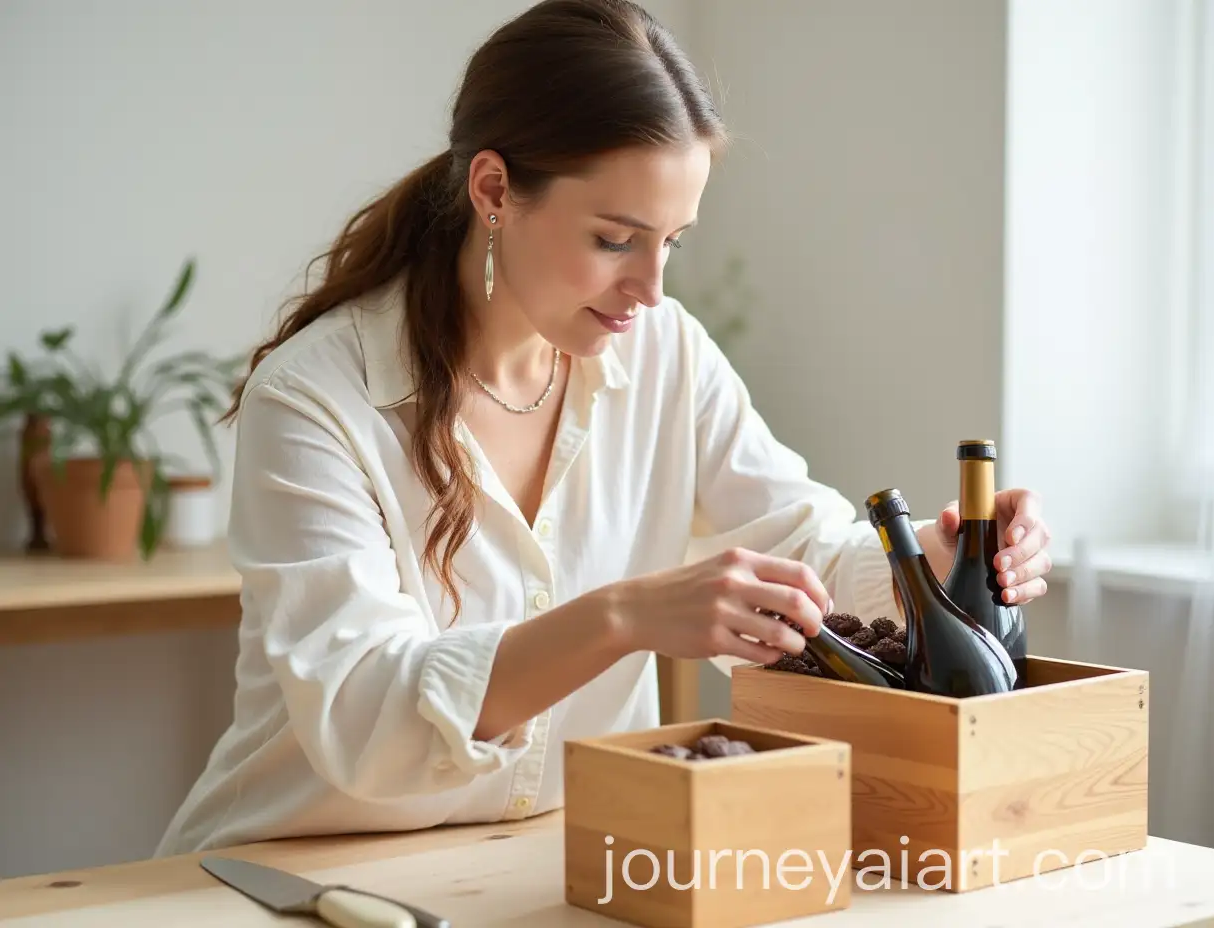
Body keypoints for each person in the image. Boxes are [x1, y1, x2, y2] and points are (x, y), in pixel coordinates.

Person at [155, 0, 1052, 856]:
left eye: (672, 243)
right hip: (285, 879)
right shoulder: (316, 398)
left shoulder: (665, 354)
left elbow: (798, 545)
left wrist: (939, 561)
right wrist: (623, 616)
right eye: (616, 240)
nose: (651, 290)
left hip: (560, 860)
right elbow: (367, 717)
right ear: (496, 189)